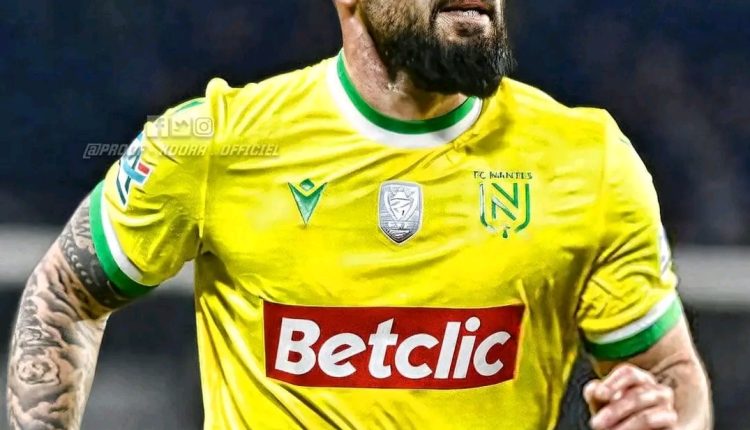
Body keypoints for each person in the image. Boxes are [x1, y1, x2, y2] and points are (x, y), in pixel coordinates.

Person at [7, 0, 712, 429]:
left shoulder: (590, 160)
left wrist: (664, 418)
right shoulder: (212, 141)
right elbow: (65, 291)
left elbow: (671, 374)